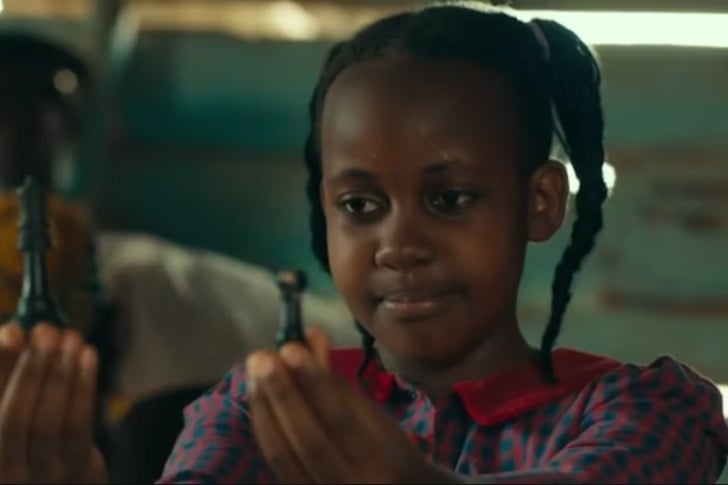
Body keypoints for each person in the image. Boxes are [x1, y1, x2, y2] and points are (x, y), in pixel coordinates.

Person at [0, 2, 727, 484]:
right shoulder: (257, 408)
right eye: (359, 205)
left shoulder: (649, 406)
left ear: (540, 202)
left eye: (449, 199)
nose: (398, 244)